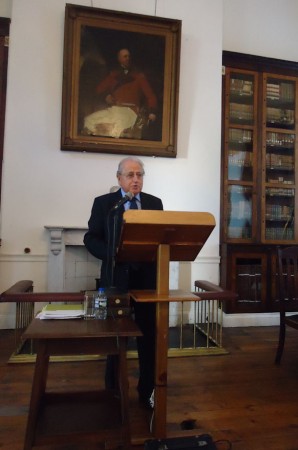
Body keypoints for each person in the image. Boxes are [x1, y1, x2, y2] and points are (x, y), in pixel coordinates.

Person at [84, 156, 163, 408]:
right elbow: (91, 237)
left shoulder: (154, 203)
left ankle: (147, 390)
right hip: (116, 278)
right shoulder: (105, 203)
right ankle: (113, 391)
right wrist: (112, 253)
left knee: (148, 336)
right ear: (119, 178)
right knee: (115, 337)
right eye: (130, 175)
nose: (135, 179)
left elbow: (160, 236)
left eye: (139, 174)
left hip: (147, 280)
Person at [83, 48, 159, 140]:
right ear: (119, 59)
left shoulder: (139, 76)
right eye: (125, 56)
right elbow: (99, 89)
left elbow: (150, 95)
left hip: (130, 111)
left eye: (129, 56)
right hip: (114, 109)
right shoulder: (113, 75)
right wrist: (106, 95)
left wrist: (152, 112)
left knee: (116, 129)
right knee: (88, 120)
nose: (127, 58)